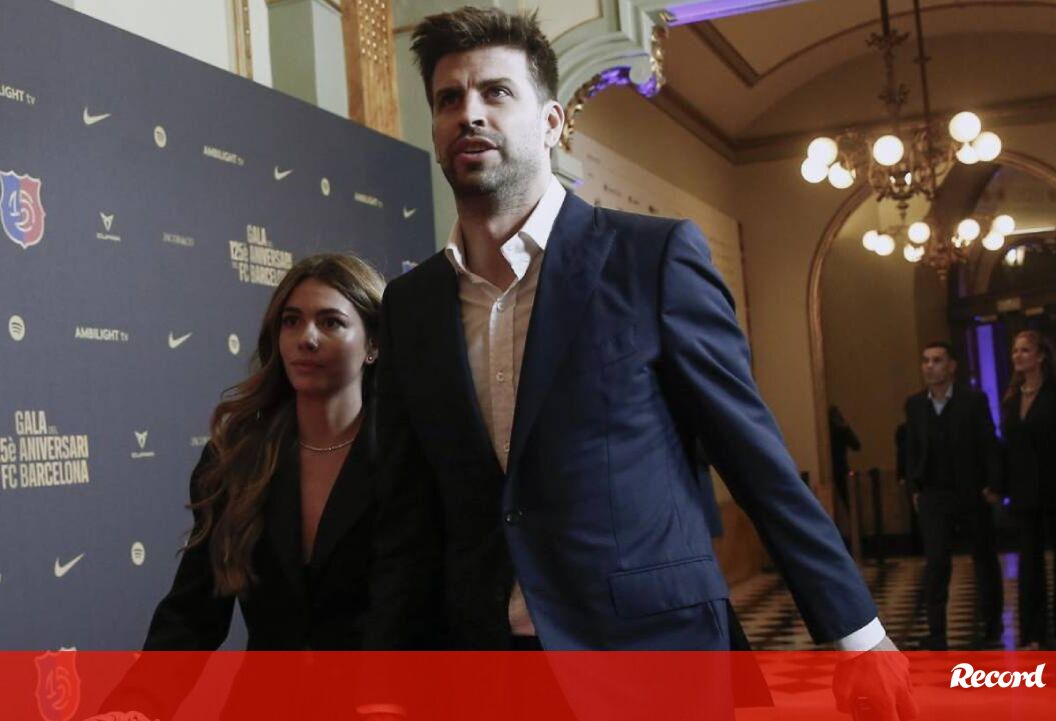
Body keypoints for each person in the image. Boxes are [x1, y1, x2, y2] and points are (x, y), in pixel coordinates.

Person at [365, 6, 912, 717]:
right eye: (448, 99)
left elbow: (752, 456)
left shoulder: (651, 258)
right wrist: (385, 683)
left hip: (653, 654)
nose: (469, 113)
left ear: (552, 122)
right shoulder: (410, 305)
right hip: (486, 666)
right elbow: (406, 516)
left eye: (496, 92)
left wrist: (857, 634)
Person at [103, 253, 386, 718]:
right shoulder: (237, 457)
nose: (306, 338)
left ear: (373, 342)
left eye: (331, 322)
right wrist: (137, 706)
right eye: (291, 321)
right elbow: (193, 611)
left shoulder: (406, 457)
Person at [903, 341, 1003, 650]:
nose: (930, 366)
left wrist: (993, 483)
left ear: (951, 366)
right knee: (936, 562)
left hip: (970, 490)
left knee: (984, 558)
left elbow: (988, 442)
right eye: (925, 360)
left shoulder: (973, 400)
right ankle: (936, 632)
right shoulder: (915, 404)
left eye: (937, 360)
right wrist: (914, 487)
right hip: (934, 493)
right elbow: (912, 447)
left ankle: (992, 625)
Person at [997, 331, 1056, 649]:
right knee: (1029, 564)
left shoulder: (1052, 394)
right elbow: (1007, 449)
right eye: (1015, 351)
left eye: (1025, 350)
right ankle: (1033, 633)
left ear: (1041, 355)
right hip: (1023, 492)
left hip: (1052, 486)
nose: (1018, 356)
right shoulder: (1011, 400)